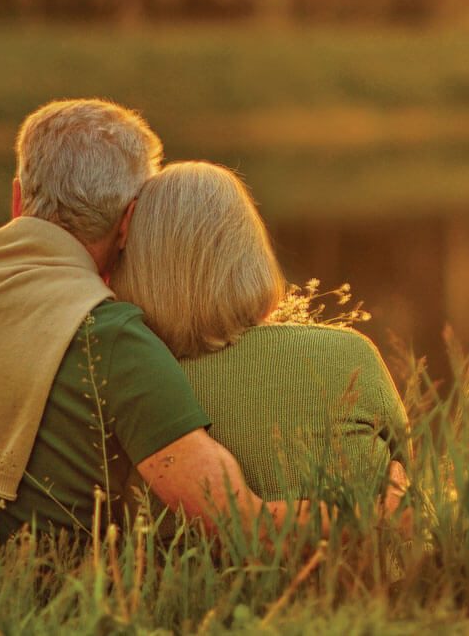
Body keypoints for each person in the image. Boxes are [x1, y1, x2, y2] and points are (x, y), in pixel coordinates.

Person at [0, 99, 391, 538]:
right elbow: (237, 521)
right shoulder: (107, 333)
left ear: (18, 200)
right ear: (131, 222)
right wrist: (383, 511)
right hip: (40, 598)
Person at [112, 161, 408, 503]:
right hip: (361, 554)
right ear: (251, 251)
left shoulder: (130, 384)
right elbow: (404, 472)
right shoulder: (350, 354)